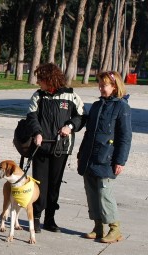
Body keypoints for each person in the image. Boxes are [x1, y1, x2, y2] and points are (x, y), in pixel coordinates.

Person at [27, 63, 85, 233]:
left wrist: (70, 126)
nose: (38, 82)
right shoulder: (38, 96)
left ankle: (50, 219)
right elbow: (31, 117)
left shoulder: (71, 96)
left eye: (41, 79)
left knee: (54, 185)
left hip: (61, 148)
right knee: (39, 185)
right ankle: (35, 217)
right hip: (41, 147)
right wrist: (37, 132)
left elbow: (81, 116)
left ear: (50, 79)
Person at [77, 71, 132, 243]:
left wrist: (120, 161)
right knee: (91, 192)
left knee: (104, 193)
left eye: (104, 85)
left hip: (107, 158)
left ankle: (115, 229)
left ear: (115, 87)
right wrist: (81, 153)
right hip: (90, 157)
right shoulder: (96, 105)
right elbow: (88, 133)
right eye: (99, 85)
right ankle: (98, 227)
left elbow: (125, 136)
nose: (100, 88)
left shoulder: (122, 107)